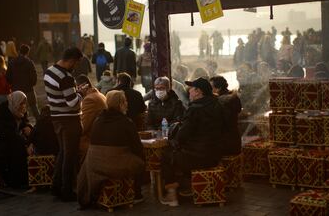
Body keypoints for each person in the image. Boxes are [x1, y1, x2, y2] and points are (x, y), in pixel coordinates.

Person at [160, 77, 224, 206]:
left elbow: (182, 136)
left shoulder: (195, 109)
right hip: (215, 154)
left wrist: (174, 140)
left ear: (198, 92)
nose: (189, 91)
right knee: (181, 153)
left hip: (199, 156)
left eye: (191, 89)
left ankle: (171, 195)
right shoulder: (217, 104)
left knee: (166, 155)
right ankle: (190, 186)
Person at [77, 90, 145, 208]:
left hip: (94, 165)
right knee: (140, 162)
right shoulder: (126, 122)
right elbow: (137, 147)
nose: (127, 104)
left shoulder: (97, 121)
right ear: (121, 104)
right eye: (125, 101)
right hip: (115, 167)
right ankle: (137, 194)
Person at [44, 47, 84, 201]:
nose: (76, 66)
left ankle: (56, 186)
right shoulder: (66, 77)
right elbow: (73, 103)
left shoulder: (49, 71)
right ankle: (66, 191)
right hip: (69, 120)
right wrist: (81, 93)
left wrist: (74, 90)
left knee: (62, 153)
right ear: (72, 60)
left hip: (56, 118)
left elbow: (60, 94)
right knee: (70, 156)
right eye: (77, 62)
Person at [0, 91, 32, 188]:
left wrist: (28, 127)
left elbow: (25, 123)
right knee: (18, 147)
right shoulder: (2, 115)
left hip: (9, 145)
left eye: (24, 103)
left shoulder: (18, 111)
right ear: (15, 102)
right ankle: (15, 179)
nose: (23, 106)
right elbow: (10, 136)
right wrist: (27, 144)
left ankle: (23, 177)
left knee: (23, 143)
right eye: (21, 103)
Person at [75, 74, 107, 164]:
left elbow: (83, 127)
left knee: (69, 144)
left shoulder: (89, 100)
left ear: (84, 86)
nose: (77, 91)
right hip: (102, 136)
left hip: (94, 141)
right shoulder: (99, 94)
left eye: (77, 88)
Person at [210, 76, 242, 156]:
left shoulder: (222, 101)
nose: (210, 90)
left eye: (211, 87)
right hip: (234, 137)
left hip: (225, 141)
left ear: (219, 88)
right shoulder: (233, 97)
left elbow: (221, 122)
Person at [6, 44, 39, 118]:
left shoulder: (11, 62)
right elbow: (34, 77)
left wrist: (13, 84)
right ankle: (41, 125)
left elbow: (8, 77)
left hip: (16, 90)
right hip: (28, 89)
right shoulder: (29, 62)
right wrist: (31, 84)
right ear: (28, 52)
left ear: (19, 51)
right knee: (34, 108)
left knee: (18, 110)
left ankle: (22, 126)